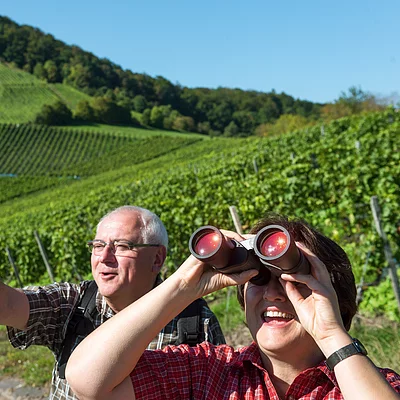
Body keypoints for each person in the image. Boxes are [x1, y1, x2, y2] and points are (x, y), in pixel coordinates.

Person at [66, 214, 400, 400]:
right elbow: (86, 381)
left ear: (334, 297)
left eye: (295, 280)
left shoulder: (374, 386)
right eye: (259, 279)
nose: (273, 293)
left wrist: (330, 333)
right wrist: (182, 286)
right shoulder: (208, 371)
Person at [1, 205, 225, 400]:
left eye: (122, 246)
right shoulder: (72, 304)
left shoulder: (195, 323)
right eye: (98, 245)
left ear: (157, 258)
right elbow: (8, 305)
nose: (104, 257)